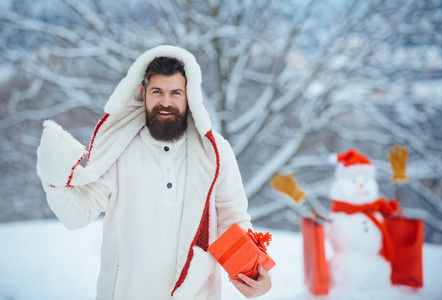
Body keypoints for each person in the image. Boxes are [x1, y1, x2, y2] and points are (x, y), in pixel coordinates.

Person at [36, 45, 272, 299]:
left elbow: (233, 221)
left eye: (175, 93)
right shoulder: (120, 147)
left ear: (189, 95)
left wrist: (256, 277)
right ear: (143, 93)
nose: (166, 102)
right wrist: (54, 180)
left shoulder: (215, 151)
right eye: (157, 91)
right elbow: (78, 214)